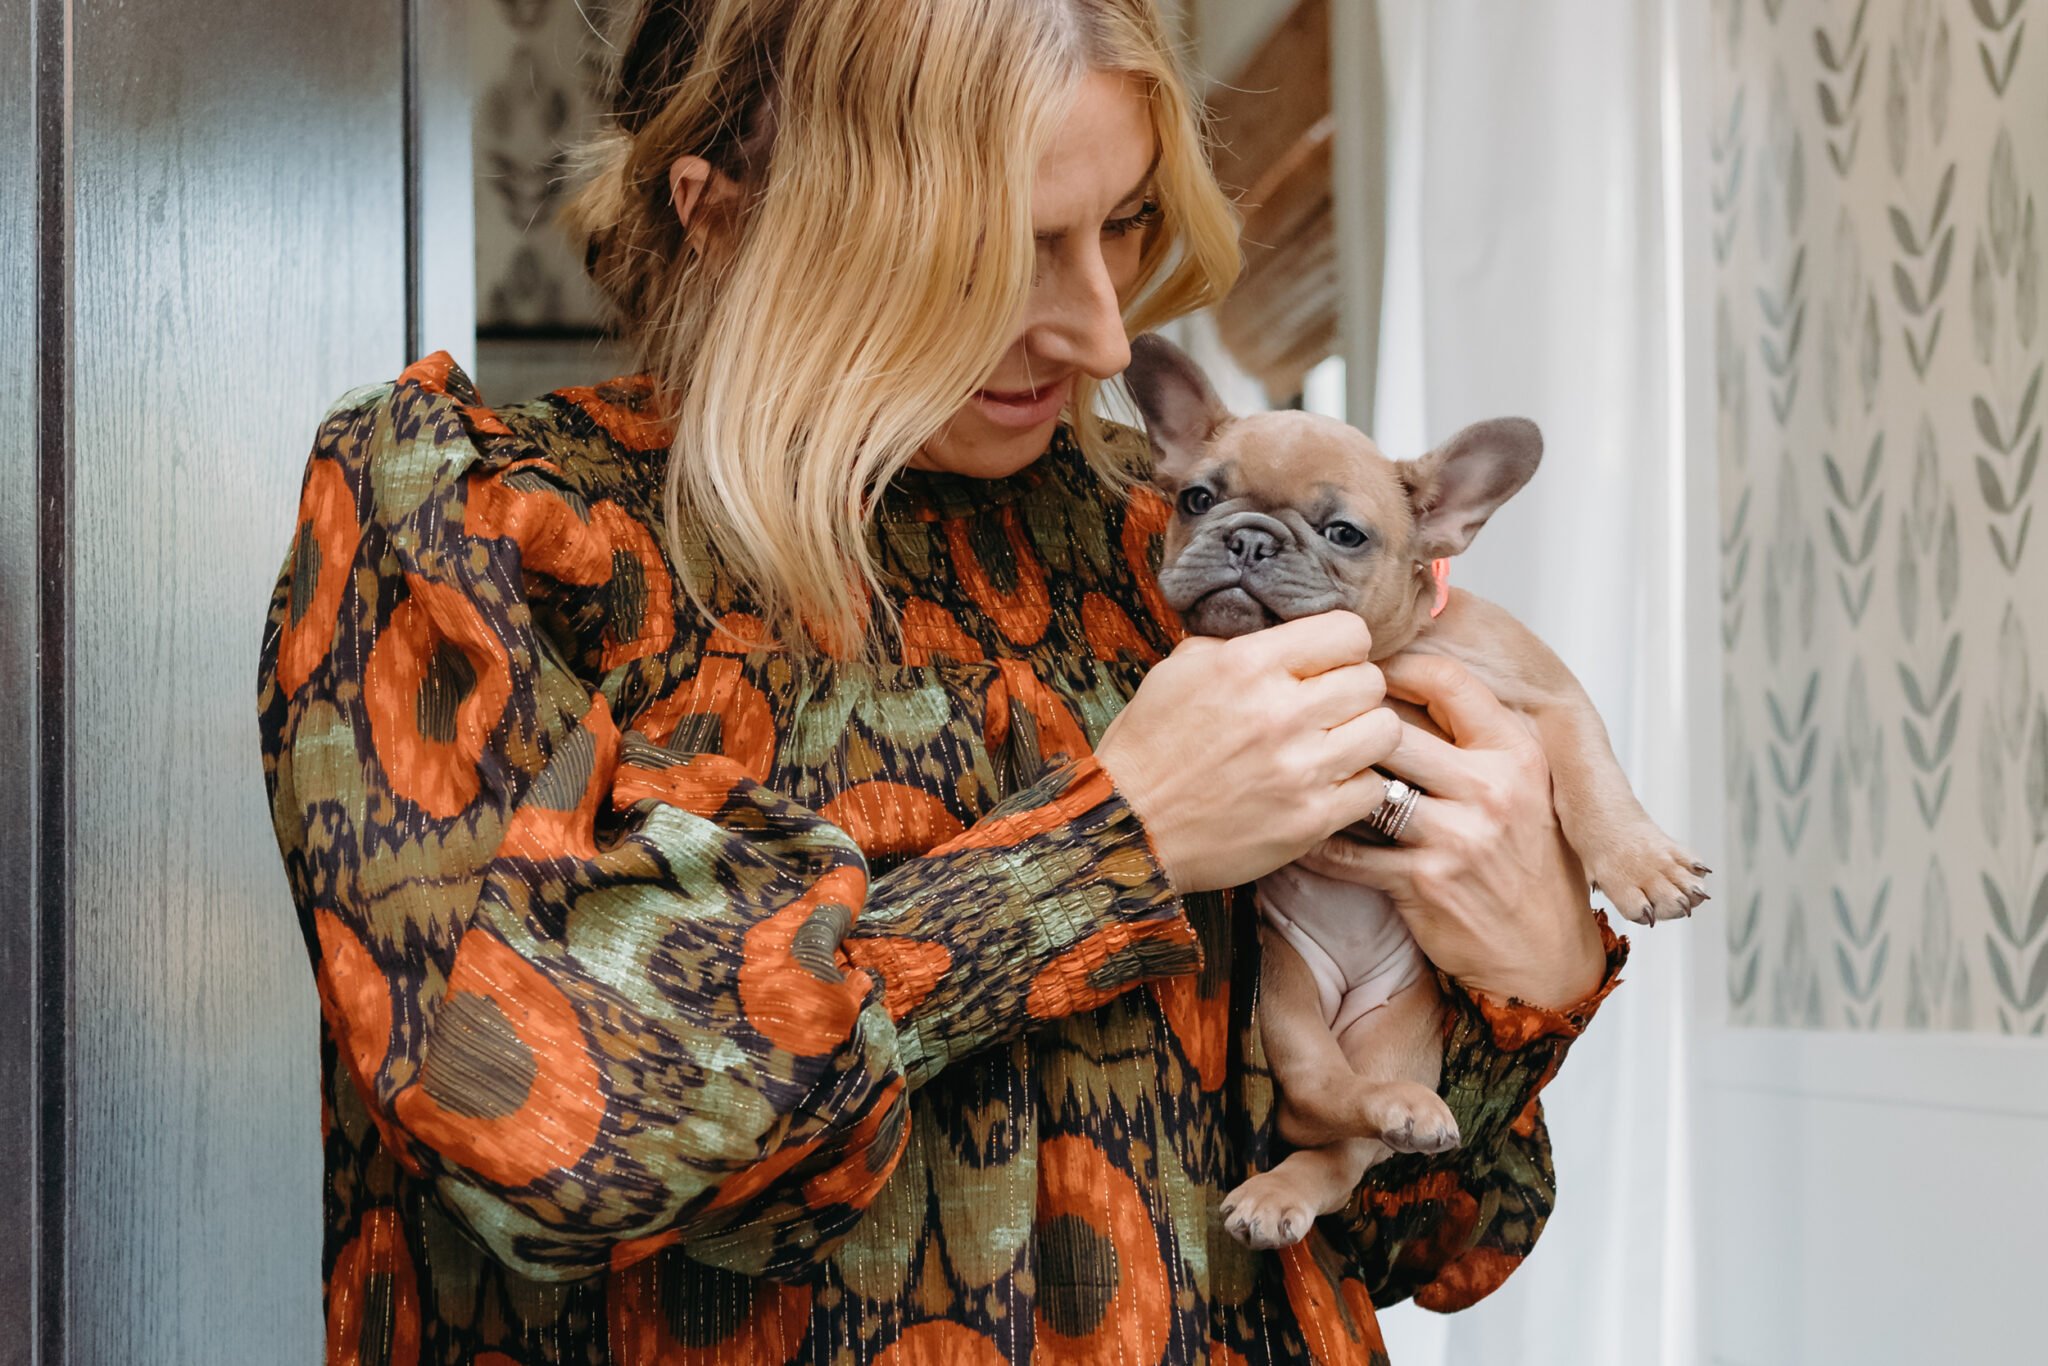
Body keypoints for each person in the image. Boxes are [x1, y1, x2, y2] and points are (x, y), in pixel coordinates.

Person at [256, 1, 1626, 1360]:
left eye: (1126, 223)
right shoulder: (484, 525)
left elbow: (1427, 1242)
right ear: (726, 218)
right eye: (1004, 252)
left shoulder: (1177, 548)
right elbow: (540, 1137)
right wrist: (1112, 843)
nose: (1101, 333)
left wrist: (1533, 964)